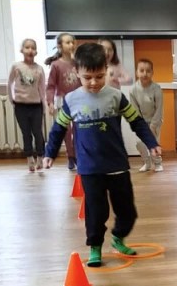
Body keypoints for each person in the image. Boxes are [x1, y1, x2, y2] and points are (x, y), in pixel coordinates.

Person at [44, 42, 161, 267]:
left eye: (99, 76)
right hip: (90, 168)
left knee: (128, 212)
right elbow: (58, 128)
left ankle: (118, 237)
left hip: (117, 164)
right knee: (96, 212)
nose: (94, 82)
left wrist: (151, 142)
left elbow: (136, 121)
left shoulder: (116, 96)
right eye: (87, 77)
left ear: (106, 70)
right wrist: (50, 152)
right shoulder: (71, 100)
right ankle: (95, 247)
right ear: (77, 72)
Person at [8, 38, 47, 172]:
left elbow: (42, 88)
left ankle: (40, 156)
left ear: (36, 52)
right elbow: (10, 83)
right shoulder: (16, 66)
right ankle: (29, 158)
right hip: (21, 105)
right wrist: (12, 99)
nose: (30, 50)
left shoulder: (39, 69)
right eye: (27, 47)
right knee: (26, 133)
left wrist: (44, 105)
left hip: (36, 105)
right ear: (22, 50)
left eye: (33, 48)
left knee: (37, 132)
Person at [46, 32, 80, 169]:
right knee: (66, 131)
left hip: (78, 101)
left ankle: (78, 155)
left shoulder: (78, 63)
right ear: (60, 46)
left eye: (72, 42)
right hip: (63, 101)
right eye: (67, 42)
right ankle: (70, 157)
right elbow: (51, 86)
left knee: (79, 129)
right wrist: (50, 102)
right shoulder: (56, 65)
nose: (71, 45)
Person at [129, 57, 163, 172]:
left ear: (152, 73)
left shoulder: (156, 88)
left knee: (154, 143)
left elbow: (159, 109)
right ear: (137, 72)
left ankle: (157, 163)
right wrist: (142, 126)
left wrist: (153, 126)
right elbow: (135, 110)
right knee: (139, 143)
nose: (145, 74)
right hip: (141, 123)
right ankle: (147, 162)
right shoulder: (133, 90)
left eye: (148, 71)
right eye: (141, 70)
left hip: (155, 121)